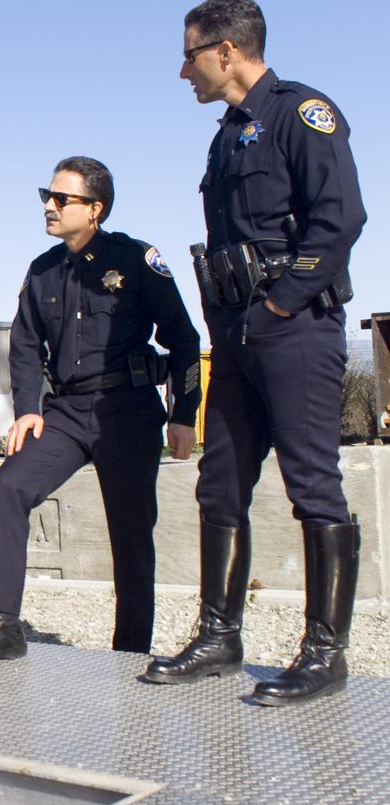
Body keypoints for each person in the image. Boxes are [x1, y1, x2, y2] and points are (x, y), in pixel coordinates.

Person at [145, 0, 366, 706]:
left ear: (228, 51)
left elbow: (341, 219)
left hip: (295, 327)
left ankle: (324, 653)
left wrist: (280, 302)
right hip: (237, 336)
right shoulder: (228, 135)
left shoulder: (302, 114)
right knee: (221, 480)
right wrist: (235, 323)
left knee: (312, 484)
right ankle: (219, 636)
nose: (183, 70)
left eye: (191, 55)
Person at [0, 158, 201, 669]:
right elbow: (23, 345)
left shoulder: (135, 259)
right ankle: (2, 624)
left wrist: (184, 412)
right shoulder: (43, 270)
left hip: (127, 409)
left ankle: (130, 649)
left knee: (130, 529)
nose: (49, 205)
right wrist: (25, 409)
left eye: (62, 198)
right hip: (64, 412)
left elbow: (184, 338)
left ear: (95, 209)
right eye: (48, 194)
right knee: (8, 488)